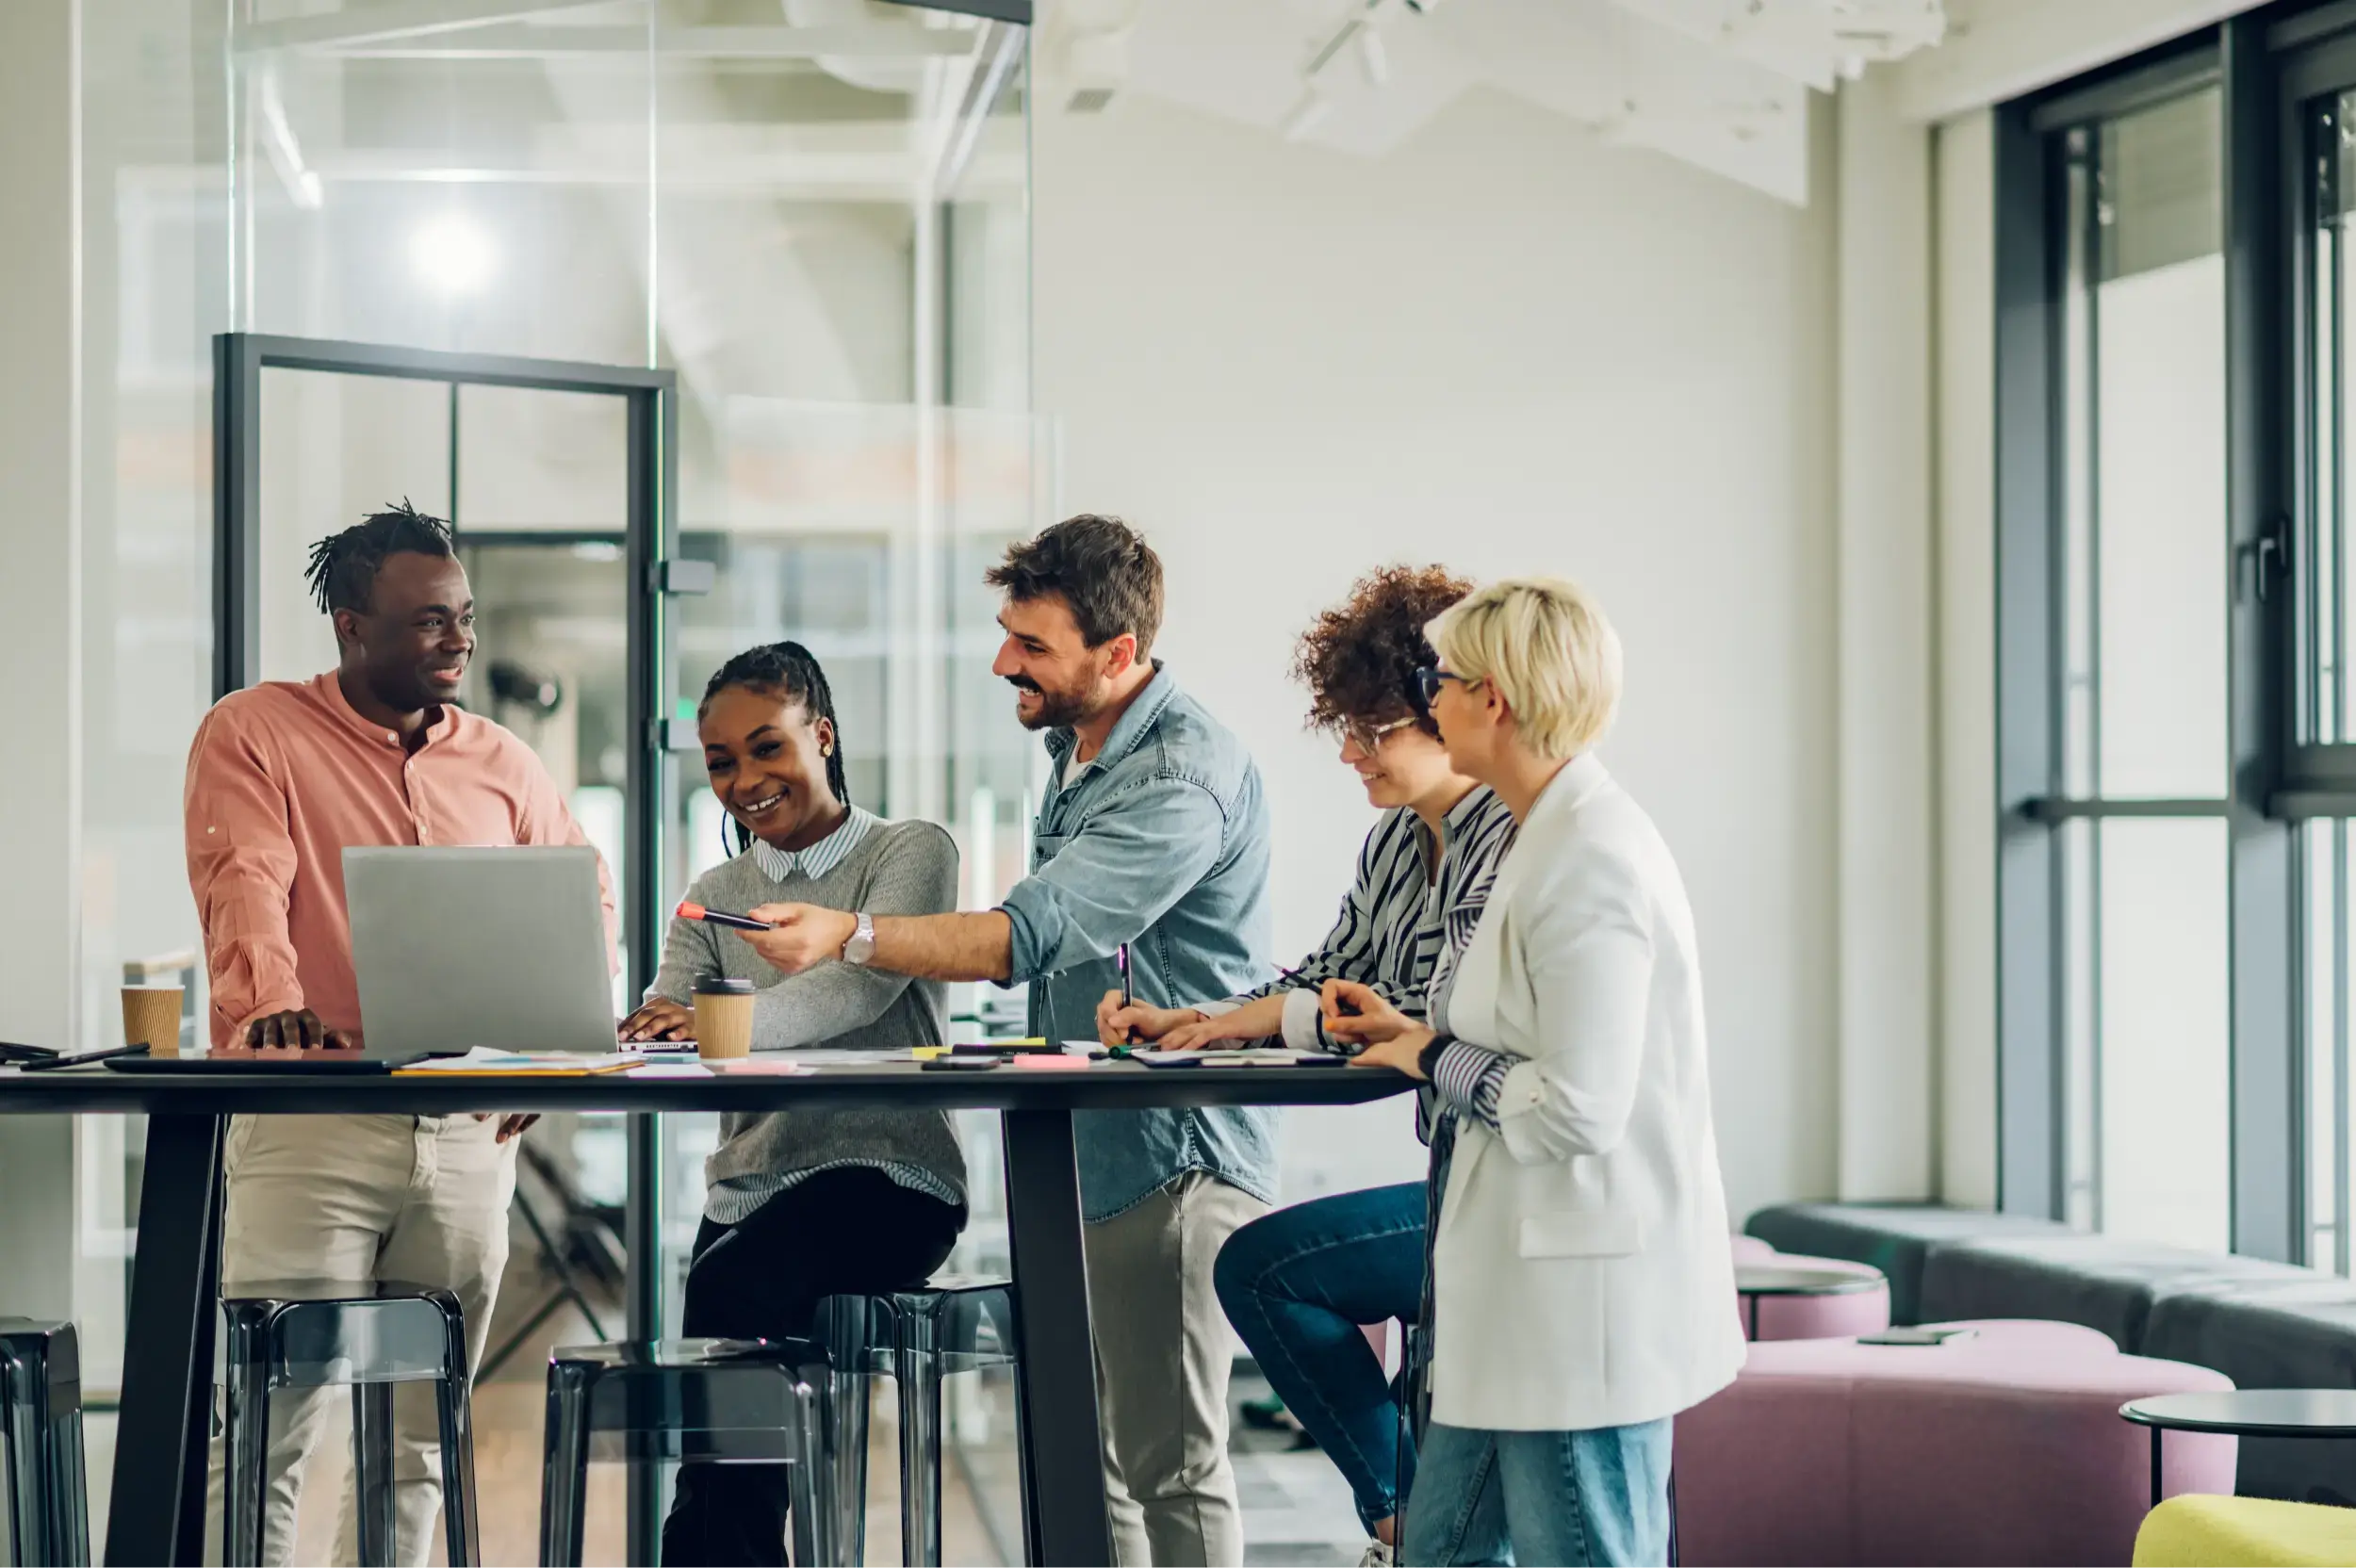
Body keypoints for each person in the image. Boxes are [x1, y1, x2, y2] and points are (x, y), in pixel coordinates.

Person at [735, 514, 1275, 1568]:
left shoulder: (1180, 773)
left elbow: (1025, 935)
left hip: (1173, 1162)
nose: (1001, 661)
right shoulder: (1081, 747)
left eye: (1031, 645)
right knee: (1095, 1460)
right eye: (1005, 632)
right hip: (1087, 1160)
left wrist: (852, 930)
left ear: (1117, 655)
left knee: (1170, 1463)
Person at [184, 501, 614, 1568]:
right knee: (275, 1419)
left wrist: (546, 1048)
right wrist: (267, 998)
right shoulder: (258, 731)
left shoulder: (503, 761)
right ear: (350, 625)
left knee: (419, 1438)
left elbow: (581, 899)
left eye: (463, 617)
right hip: (313, 1123)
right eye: (428, 621)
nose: (459, 639)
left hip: (470, 1138)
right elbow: (246, 879)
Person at [1093, 565, 1516, 1568]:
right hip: (1456, 1173)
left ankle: (1402, 1519)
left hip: (1512, 1181)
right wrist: (1192, 1022)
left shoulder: (1513, 838)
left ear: (1444, 710)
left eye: (1373, 729)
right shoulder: (1393, 845)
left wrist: (1353, 1019)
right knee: (1266, 1268)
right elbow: (1332, 986)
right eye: (1346, 725)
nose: (1349, 751)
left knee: (1266, 1267)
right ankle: (1413, 1521)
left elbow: (1423, 1018)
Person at [1325, 577, 1743, 1568]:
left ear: (1494, 699)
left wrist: (1430, 1053)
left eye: (1443, 678)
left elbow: (1577, 1108)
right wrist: (1409, 1029)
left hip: (1573, 1309)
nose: (1430, 697)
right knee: (1439, 1550)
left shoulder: (1591, 855)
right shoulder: (1538, 835)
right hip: (1511, 1304)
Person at [618, 641, 965, 1568]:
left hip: (890, 1177)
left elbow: (849, 993)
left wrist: (703, 1021)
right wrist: (663, 1024)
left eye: (768, 747)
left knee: (733, 1286)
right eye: (723, 761)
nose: (745, 779)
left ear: (822, 733)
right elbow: (671, 1013)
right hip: (751, 1190)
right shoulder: (715, 892)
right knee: (723, 1308)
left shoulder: (910, 852)